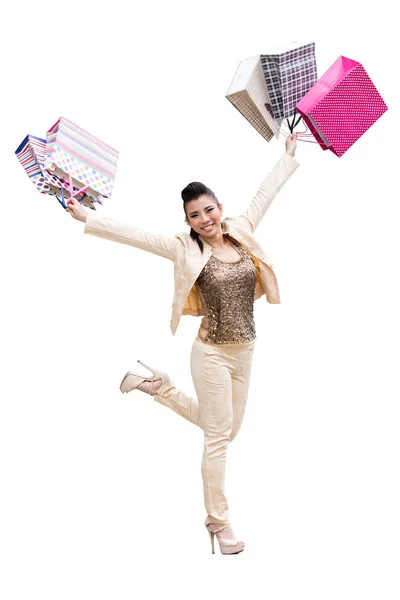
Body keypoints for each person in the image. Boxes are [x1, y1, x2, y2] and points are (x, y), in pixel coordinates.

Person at [66, 134, 299, 555]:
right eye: (195, 215)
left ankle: (157, 387)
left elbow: (264, 196)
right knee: (216, 440)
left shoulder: (241, 231)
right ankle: (219, 522)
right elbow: (134, 235)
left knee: (228, 431)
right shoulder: (182, 248)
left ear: (220, 208)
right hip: (210, 351)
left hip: (246, 349)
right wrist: (88, 217)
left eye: (209, 210)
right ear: (188, 220)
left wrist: (287, 157)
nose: (205, 219)